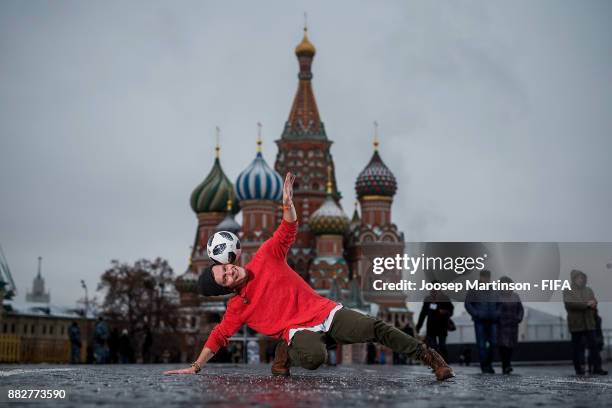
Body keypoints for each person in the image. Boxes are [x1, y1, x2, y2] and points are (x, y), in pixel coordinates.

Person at [165, 173, 454, 381]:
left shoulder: (265, 256)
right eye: (224, 278)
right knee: (314, 359)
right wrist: (196, 366)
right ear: (226, 289)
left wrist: (288, 205)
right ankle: (285, 353)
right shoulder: (238, 307)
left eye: (226, 267)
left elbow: (287, 231)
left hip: (325, 313)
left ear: (231, 258)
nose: (229, 271)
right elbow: (219, 336)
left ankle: (429, 357)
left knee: (376, 327)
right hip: (298, 332)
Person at [563, 269, 607, 375]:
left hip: (589, 323)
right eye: (578, 278)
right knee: (577, 348)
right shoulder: (568, 290)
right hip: (576, 325)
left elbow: (594, 301)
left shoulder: (589, 290)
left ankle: (597, 368)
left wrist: (594, 303)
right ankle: (579, 369)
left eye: (582, 278)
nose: (581, 280)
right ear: (574, 279)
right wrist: (587, 304)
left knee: (594, 346)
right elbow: (570, 304)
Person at [465, 269, 501, 374]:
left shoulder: (494, 289)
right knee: (481, 344)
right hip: (479, 321)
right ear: (480, 277)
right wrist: (476, 314)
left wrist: (497, 313)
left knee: (493, 343)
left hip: (492, 321)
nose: (486, 279)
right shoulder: (474, 289)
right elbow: (467, 304)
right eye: (484, 277)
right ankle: (484, 366)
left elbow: (500, 304)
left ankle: (488, 364)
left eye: (487, 277)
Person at [415, 282, 454, 361]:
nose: (434, 290)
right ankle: (437, 363)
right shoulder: (428, 299)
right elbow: (423, 313)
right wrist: (418, 326)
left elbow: (451, 310)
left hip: (442, 326)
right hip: (431, 327)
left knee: (442, 346)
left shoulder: (445, 298)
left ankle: (445, 362)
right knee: (433, 347)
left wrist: (445, 312)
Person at [497, 276, 524, 374]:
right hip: (502, 325)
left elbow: (520, 308)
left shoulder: (515, 296)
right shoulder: (498, 296)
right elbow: (495, 309)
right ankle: (506, 365)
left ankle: (507, 364)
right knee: (503, 346)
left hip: (513, 325)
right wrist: (498, 318)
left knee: (510, 346)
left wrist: (519, 318)